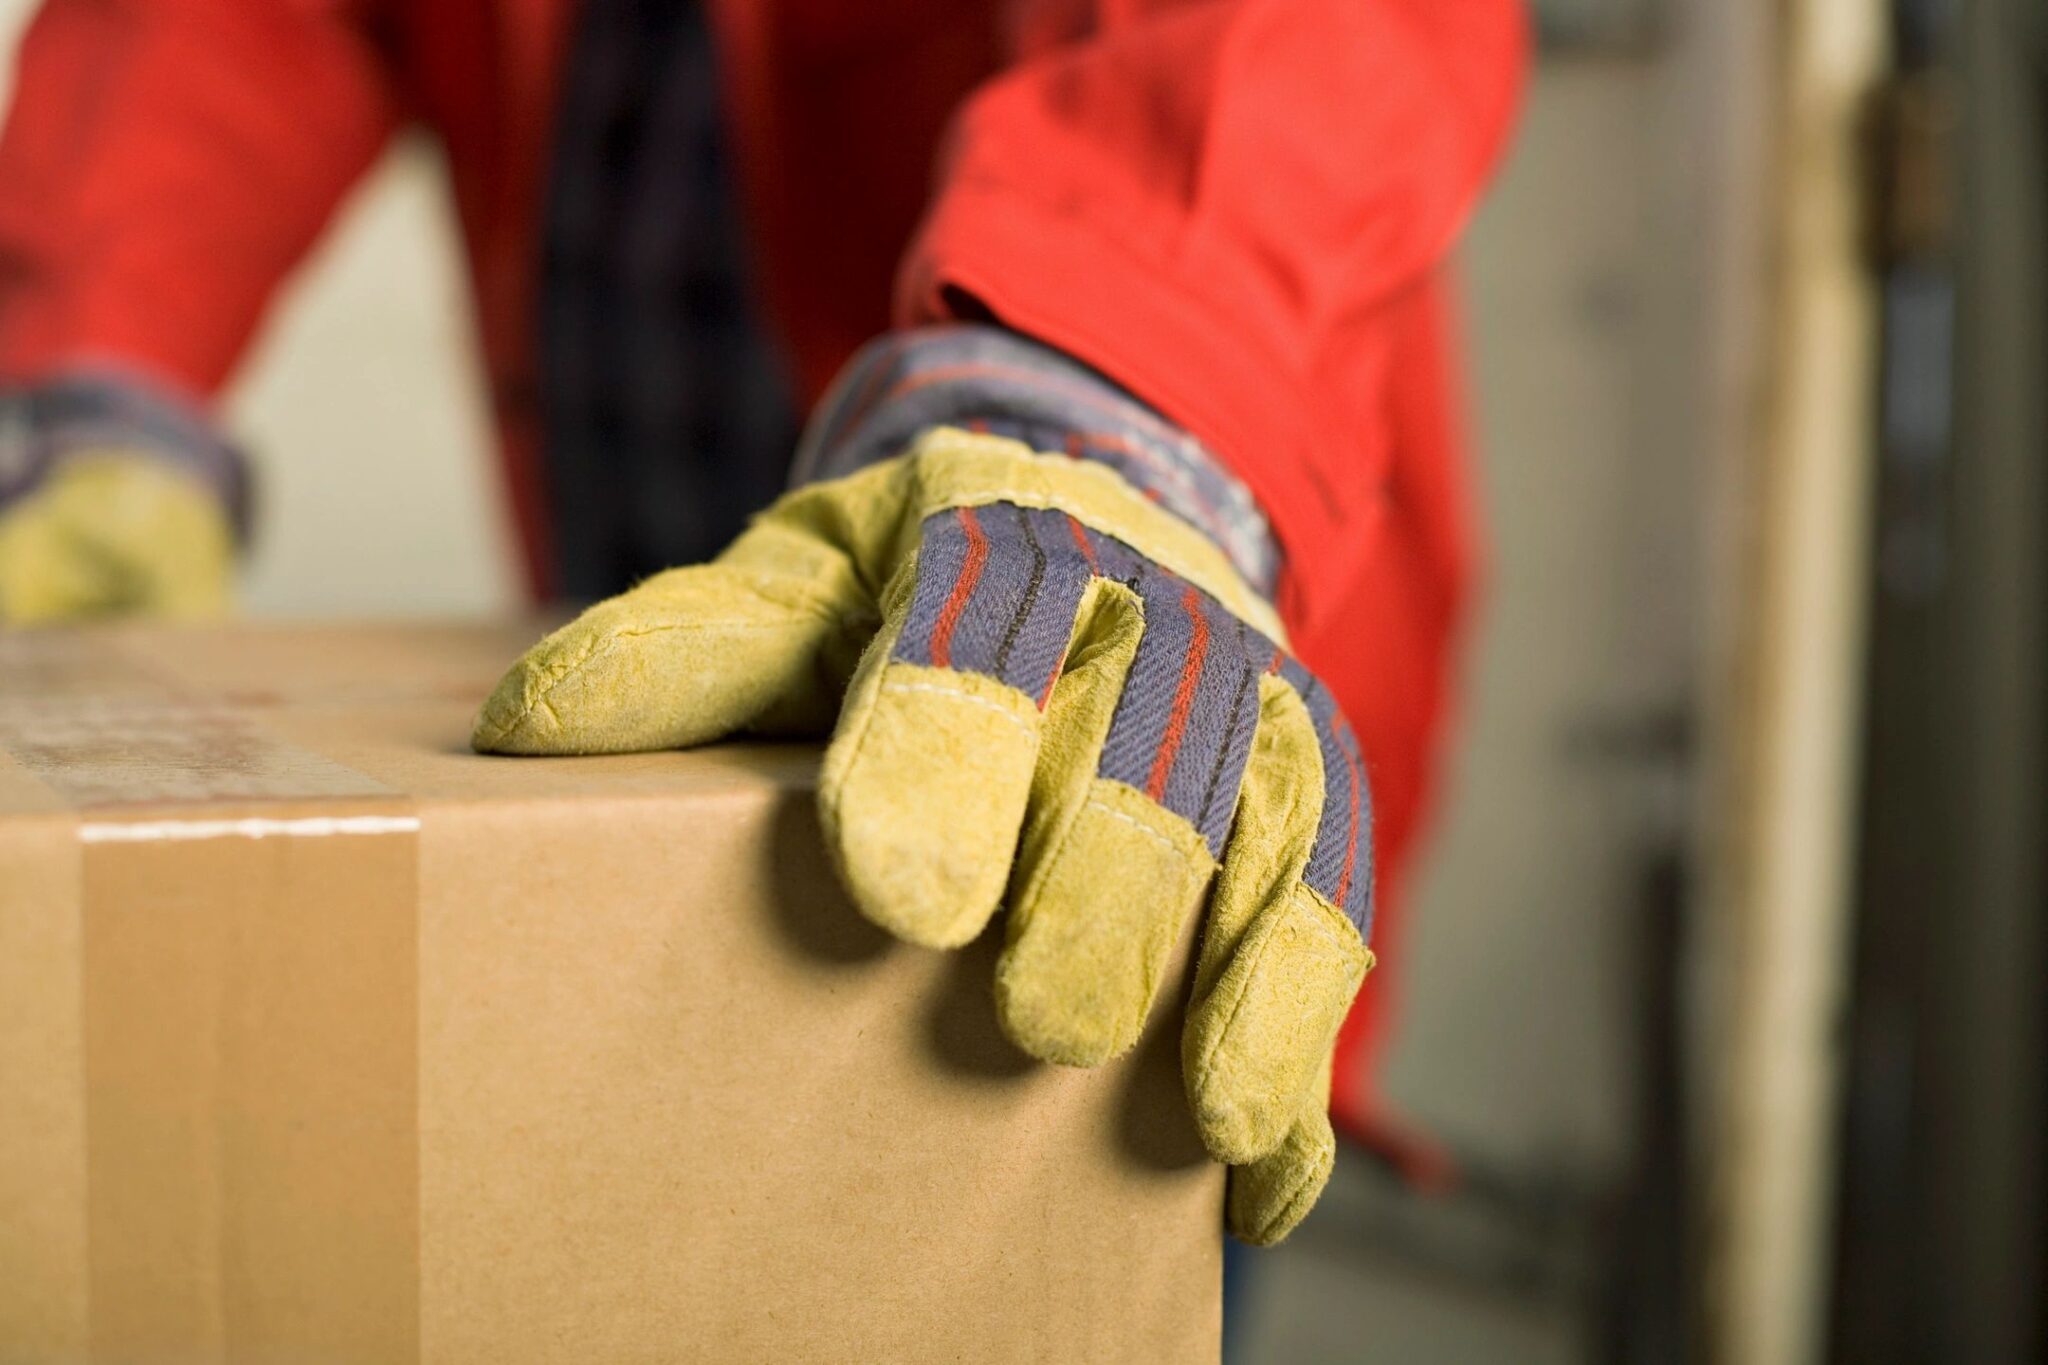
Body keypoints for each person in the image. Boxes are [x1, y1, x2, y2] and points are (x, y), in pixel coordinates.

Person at [0, 0, 1527, 1252]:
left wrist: (1105, 403)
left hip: (1095, 600)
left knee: (1077, 1116)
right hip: (658, 630)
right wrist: (104, 363)